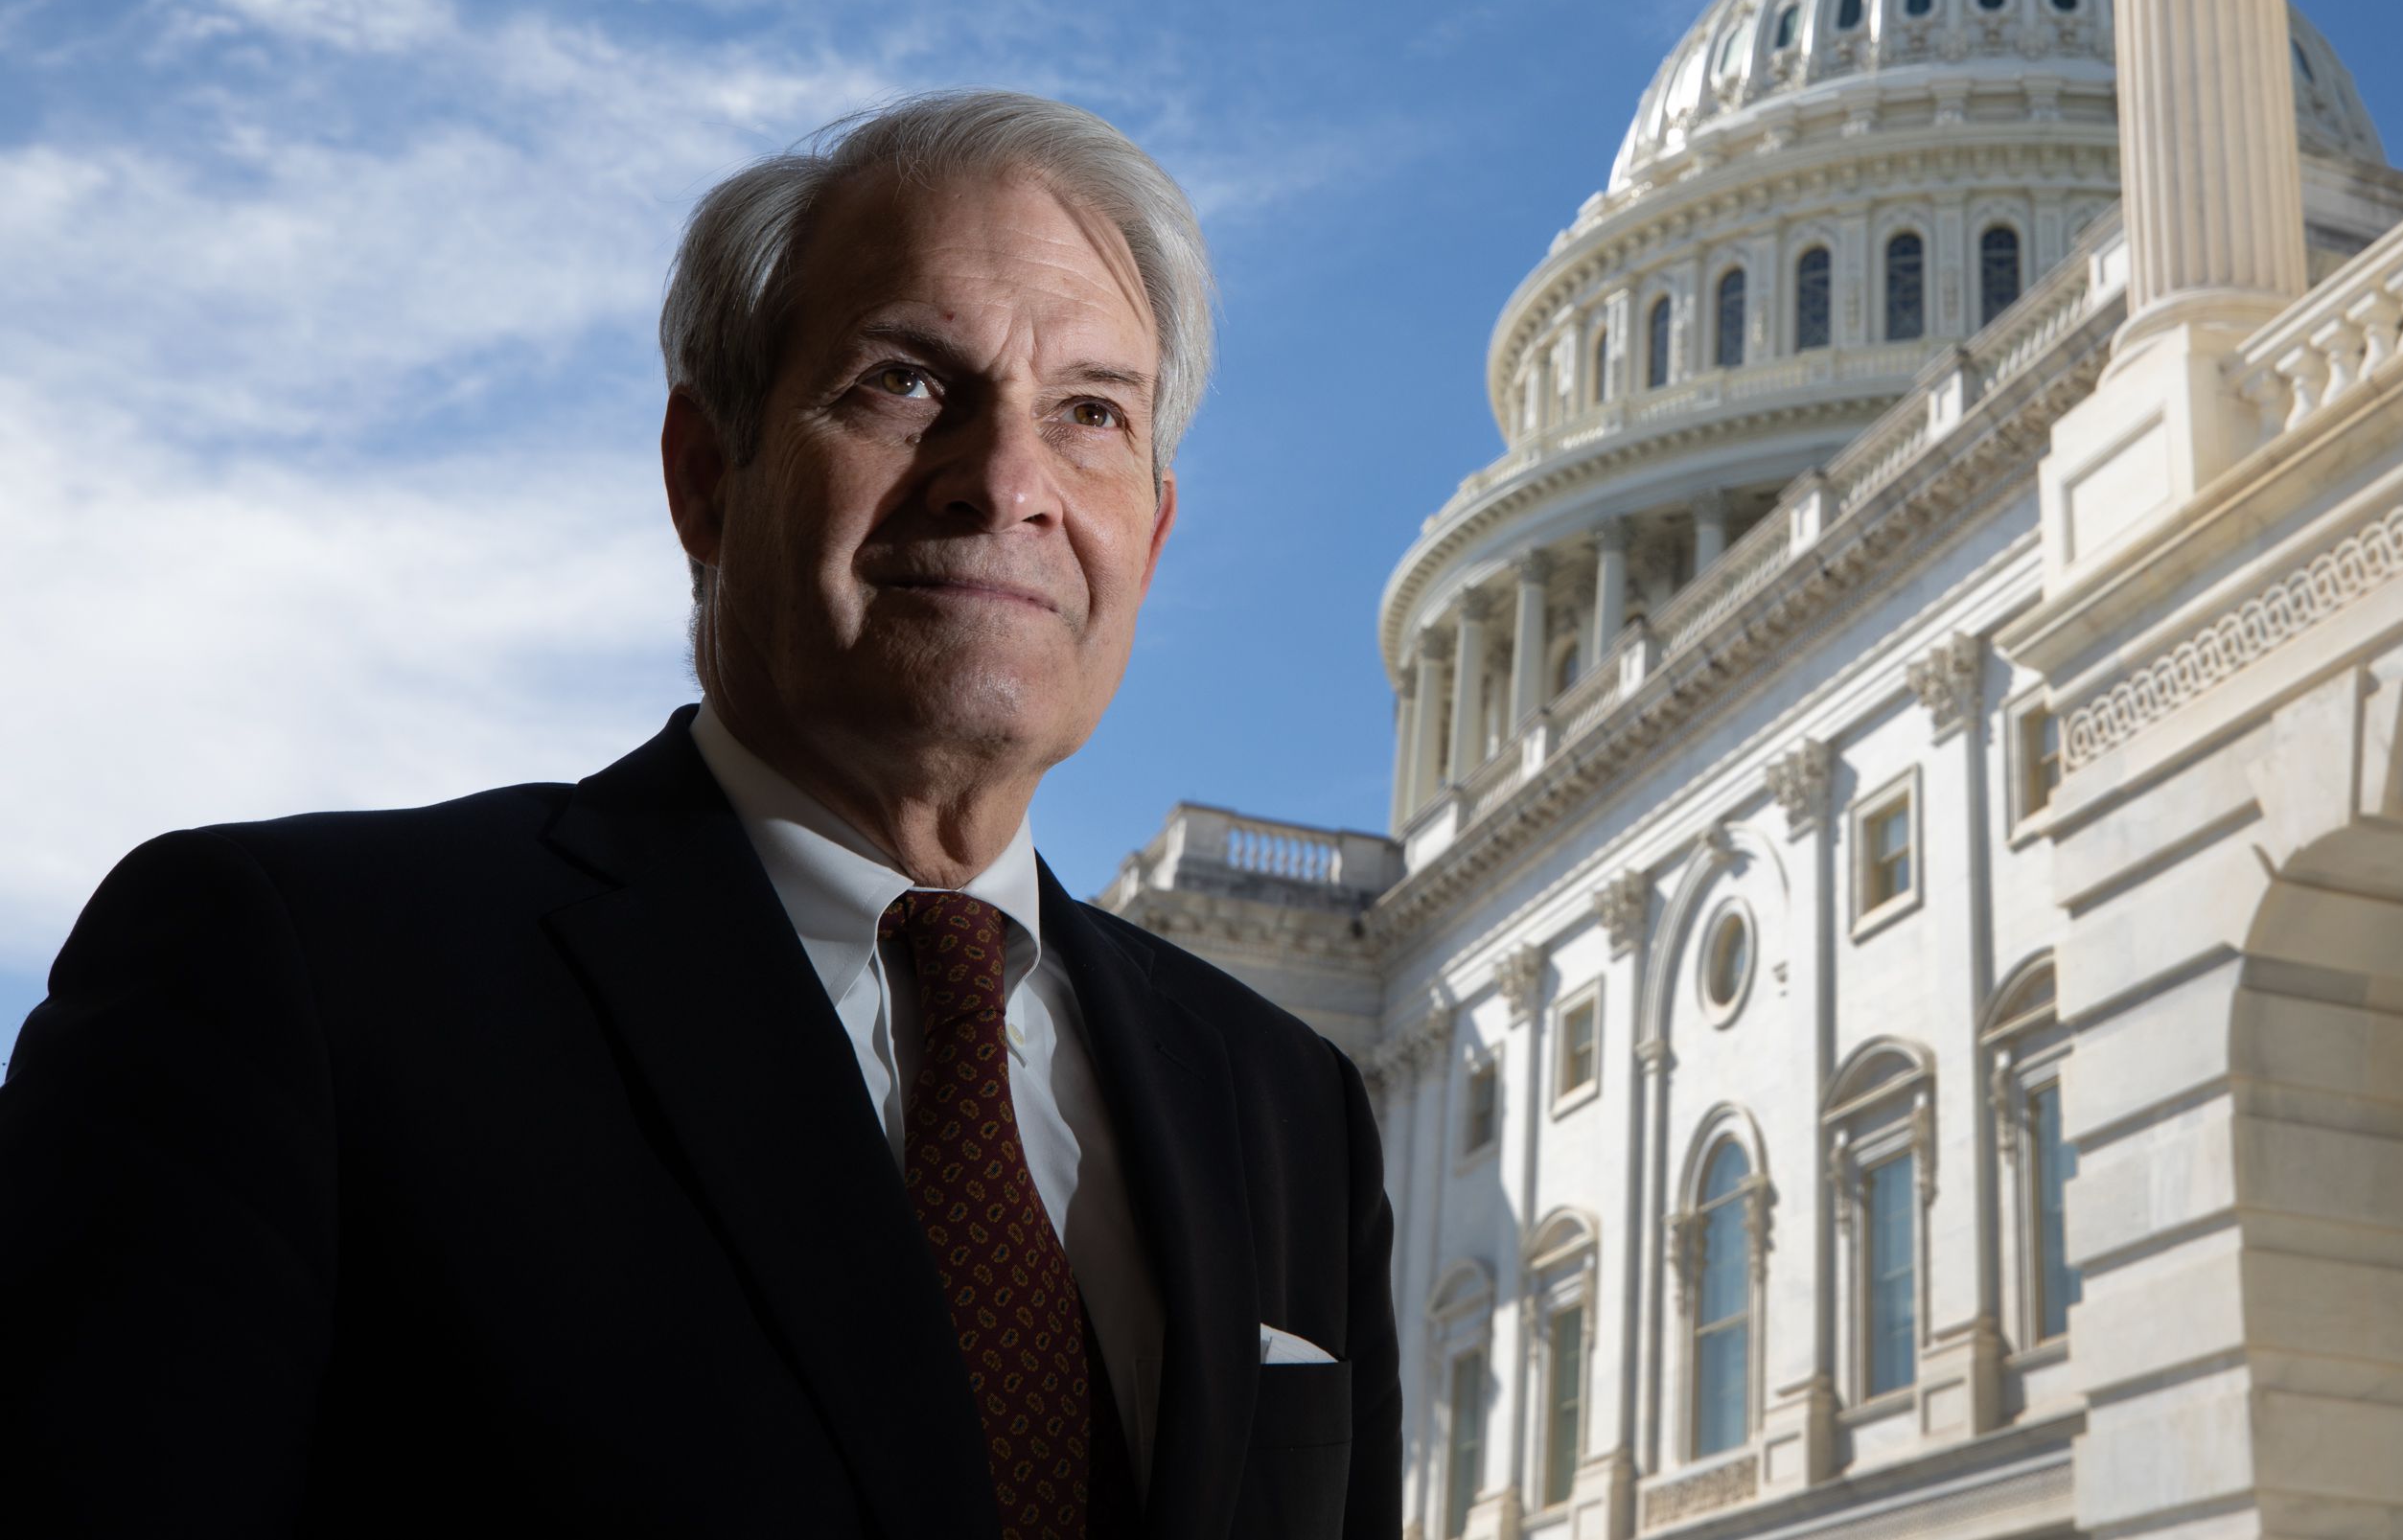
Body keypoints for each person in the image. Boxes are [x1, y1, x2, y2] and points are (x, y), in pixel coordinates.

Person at [0, 90, 1400, 1540]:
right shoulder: (290, 976)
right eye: (908, 383)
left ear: (1153, 533)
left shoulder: (1285, 1107)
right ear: (705, 474)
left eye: (1090, 414)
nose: (1006, 484)